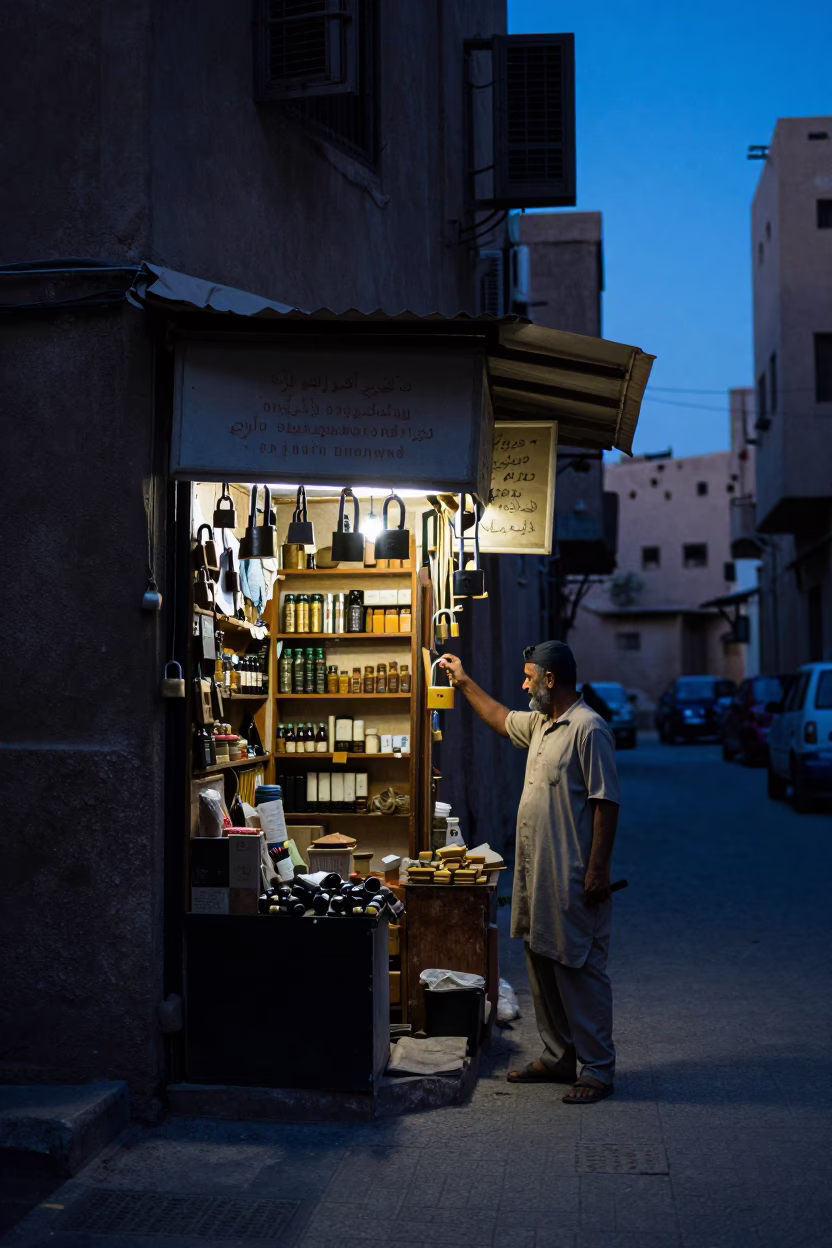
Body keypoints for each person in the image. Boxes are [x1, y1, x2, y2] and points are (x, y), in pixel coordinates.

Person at [439, 641, 620, 1104]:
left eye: (528, 677)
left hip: (572, 874)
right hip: (536, 872)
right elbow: (500, 718)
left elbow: (605, 803)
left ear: (550, 679)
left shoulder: (588, 728)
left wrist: (597, 870)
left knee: (579, 968)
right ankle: (559, 1057)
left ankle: (597, 1068)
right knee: (541, 962)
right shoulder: (542, 723)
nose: (523, 685)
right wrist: (463, 682)